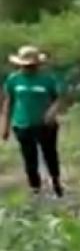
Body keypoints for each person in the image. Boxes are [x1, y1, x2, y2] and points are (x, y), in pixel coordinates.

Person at [2, 45, 65, 197]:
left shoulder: (47, 80)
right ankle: (35, 188)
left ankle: (55, 182)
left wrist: (52, 111)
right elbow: (8, 102)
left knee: (50, 154)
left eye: (32, 65)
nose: (29, 68)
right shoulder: (13, 80)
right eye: (25, 66)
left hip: (45, 125)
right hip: (22, 124)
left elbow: (59, 98)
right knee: (29, 157)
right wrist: (5, 125)